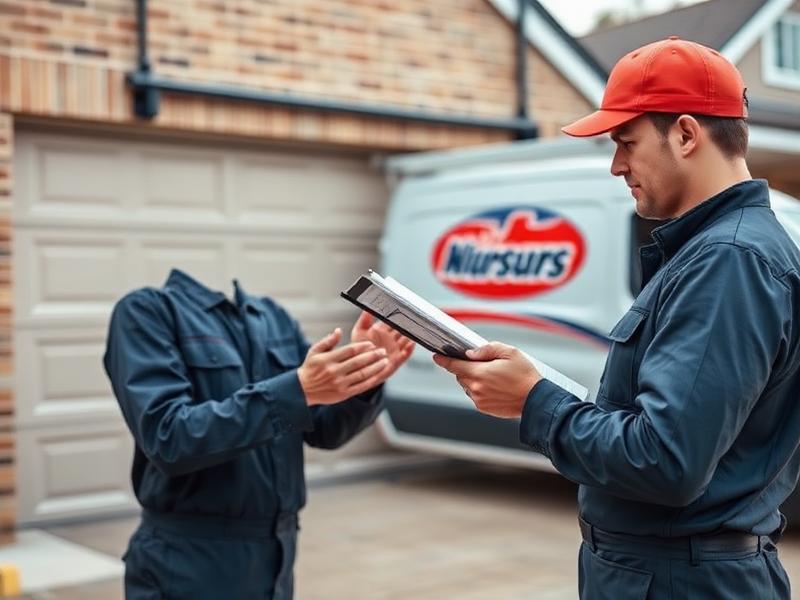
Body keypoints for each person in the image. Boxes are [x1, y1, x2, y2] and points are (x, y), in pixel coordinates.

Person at [433, 37, 800, 599]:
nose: (615, 165)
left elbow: (664, 460)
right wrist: (534, 390)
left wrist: (533, 401)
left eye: (626, 142)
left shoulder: (729, 260)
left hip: (683, 581)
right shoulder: (715, 252)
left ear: (685, 134)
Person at [103, 268, 413, 599]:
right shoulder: (148, 312)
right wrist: (298, 390)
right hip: (188, 563)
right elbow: (168, 438)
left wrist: (365, 378)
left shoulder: (273, 318)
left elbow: (325, 430)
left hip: (276, 559)